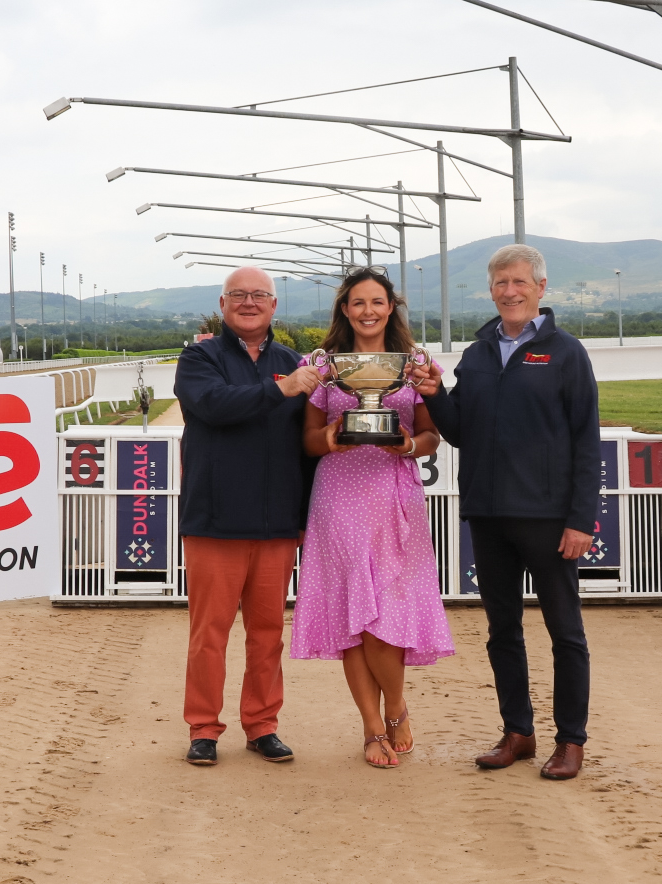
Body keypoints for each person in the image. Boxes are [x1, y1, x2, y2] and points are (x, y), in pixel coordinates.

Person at [411, 244, 601, 781]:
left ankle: (570, 741)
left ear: (541, 288)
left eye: (519, 282)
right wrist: (437, 394)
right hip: (489, 516)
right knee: (502, 632)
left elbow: (587, 441)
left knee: (566, 633)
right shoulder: (477, 354)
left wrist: (581, 519)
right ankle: (517, 731)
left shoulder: (566, 353)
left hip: (548, 518)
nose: (510, 292)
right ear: (491, 291)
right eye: (500, 284)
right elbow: (462, 432)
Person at [291, 265, 455, 769]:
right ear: (345, 309)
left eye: (377, 303)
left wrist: (407, 443)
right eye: (358, 303)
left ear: (391, 308)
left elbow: (432, 434)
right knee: (353, 619)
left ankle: (397, 708)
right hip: (338, 498)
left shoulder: (415, 363)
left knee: (384, 618)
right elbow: (309, 439)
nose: (368, 311)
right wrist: (334, 438)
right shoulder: (321, 363)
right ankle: (370, 727)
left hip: (393, 496)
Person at [173, 266, 321, 767]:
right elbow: (213, 405)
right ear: (222, 303)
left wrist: (303, 517)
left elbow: (306, 450)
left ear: (275, 306)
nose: (250, 302)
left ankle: (262, 725)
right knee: (208, 633)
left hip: (276, 522)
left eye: (260, 295)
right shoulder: (199, 358)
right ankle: (203, 727)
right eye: (239, 295)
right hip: (214, 521)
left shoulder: (292, 363)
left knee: (268, 634)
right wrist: (281, 391)